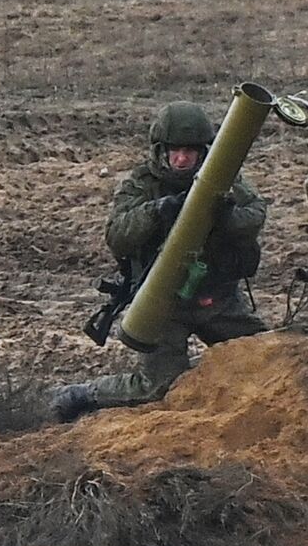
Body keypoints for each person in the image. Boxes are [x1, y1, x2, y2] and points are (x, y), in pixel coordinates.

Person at [52, 100, 268, 421]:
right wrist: (156, 211)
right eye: (175, 151)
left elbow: (256, 214)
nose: (182, 160)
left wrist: (226, 216)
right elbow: (117, 234)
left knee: (268, 359)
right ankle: (83, 394)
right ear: (161, 150)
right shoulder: (142, 183)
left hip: (218, 298)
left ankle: (201, 375)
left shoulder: (223, 178)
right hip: (165, 302)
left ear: (203, 152)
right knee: (158, 389)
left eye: (190, 152)